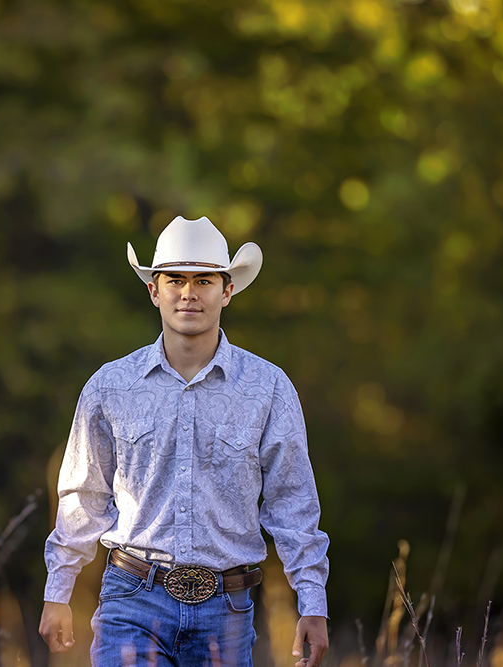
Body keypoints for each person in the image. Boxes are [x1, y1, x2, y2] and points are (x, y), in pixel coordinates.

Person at [39, 215, 329, 667]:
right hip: (132, 599)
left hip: (227, 609)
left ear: (227, 290)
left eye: (204, 280)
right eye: (175, 279)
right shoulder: (109, 386)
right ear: (154, 290)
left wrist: (312, 602)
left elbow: (292, 502)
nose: (188, 293)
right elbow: (84, 496)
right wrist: (57, 590)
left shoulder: (268, 388)